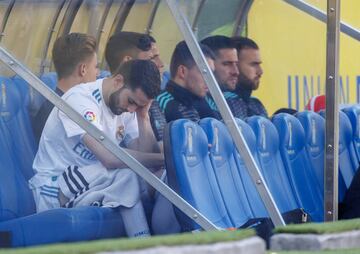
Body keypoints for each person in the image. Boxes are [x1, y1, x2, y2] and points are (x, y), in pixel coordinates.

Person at [29, 59, 163, 238]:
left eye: (138, 105)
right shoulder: (81, 99)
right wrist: (164, 159)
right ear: (118, 81)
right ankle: (142, 241)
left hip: (93, 182)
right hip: (56, 188)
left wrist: (143, 117)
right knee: (128, 175)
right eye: (131, 102)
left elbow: (147, 161)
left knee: (153, 179)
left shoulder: (127, 108)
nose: (131, 110)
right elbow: (109, 158)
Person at [32, 33, 99, 144]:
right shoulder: (64, 112)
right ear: (83, 69)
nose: (98, 73)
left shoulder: (52, 107)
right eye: (96, 67)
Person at [105, 31, 166, 142]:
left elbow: (149, 152)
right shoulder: (125, 102)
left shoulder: (142, 100)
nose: (160, 64)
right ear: (129, 62)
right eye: (151, 59)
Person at [156, 41, 220, 122]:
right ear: (182, 71)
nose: (211, 81)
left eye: (212, 74)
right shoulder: (160, 103)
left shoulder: (210, 102)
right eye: (205, 73)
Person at [227, 36, 268, 119]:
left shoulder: (256, 104)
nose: (260, 71)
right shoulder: (223, 103)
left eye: (259, 64)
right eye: (253, 64)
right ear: (235, 65)